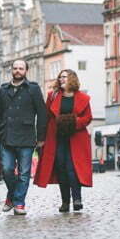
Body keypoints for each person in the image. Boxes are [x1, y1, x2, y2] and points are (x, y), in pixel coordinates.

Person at [0, 60, 47, 215]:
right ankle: (12, 195)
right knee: (7, 170)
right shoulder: (3, 89)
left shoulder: (33, 89)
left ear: (26, 70)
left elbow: (42, 114)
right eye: (15, 68)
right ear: (11, 70)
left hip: (27, 137)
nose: (17, 71)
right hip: (7, 137)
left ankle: (18, 203)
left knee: (24, 173)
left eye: (21, 68)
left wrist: (41, 137)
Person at [34, 69, 93, 212]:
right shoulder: (52, 96)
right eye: (60, 77)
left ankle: (77, 199)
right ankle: (65, 202)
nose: (61, 79)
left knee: (73, 169)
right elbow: (46, 117)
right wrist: (41, 138)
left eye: (64, 77)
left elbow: (88, 118)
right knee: (61, 169)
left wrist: (72, 122)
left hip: (76, 138)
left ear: (72, 78)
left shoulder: (83, 98)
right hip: (56, 138)